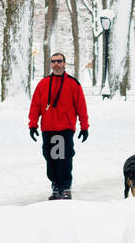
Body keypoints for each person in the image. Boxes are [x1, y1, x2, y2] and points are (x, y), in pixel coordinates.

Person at [28, 52, 89, 200]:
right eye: (53, 61)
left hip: (65, 128)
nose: (56, 64)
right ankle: (55, 185)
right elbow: (35, 106)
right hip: (48, 128)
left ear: (64, 64)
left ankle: (65, 186)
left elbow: (81, 107)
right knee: (50, 158)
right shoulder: (43, 84)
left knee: (64, 157)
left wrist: (84, 126)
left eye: (59, 61)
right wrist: (33, 125)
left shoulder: (73, 84)